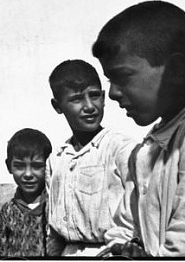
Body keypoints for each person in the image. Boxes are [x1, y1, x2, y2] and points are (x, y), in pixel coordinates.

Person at [93, 0, 185, 257]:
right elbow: (125, 227)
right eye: (110, 80)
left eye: (122, 76)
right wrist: (119, 250)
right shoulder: (146, 150)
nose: (112, 92)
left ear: (175, 70)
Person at [45, 59, 136, 256]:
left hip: (112, 253)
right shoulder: (57, 159)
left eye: (94, 96)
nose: (89, 106)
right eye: (77, 99)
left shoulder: (121, 149)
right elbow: (53, 229)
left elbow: (138, 216)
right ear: (57, 106)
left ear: (104, 97)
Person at [0, 128, 53, 257]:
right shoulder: (8, 211)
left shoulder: (54, 208)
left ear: (49, 166)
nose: (28, 174)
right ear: (9, 166)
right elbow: (1, 252)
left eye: (37, 166)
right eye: (20, 166)